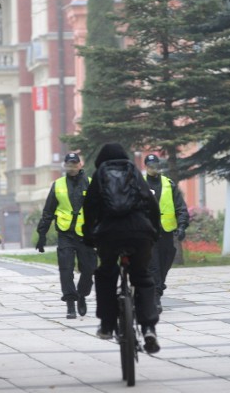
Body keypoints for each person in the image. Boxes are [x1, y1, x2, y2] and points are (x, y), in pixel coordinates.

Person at [82, 143, 162, 354]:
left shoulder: (100, 174)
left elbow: (89, 207)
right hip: (139, 232)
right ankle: (148, 329)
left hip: (109, 234)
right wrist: (155, 230)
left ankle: (107, 325)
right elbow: (151, 202)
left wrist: (88, 234)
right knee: (143, 277)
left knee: (106, 274)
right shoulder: (133, 172)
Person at [36, 153, 97, 319]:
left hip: (85, 234)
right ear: (65, 165)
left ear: (79, 165)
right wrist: (42, 234)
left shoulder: (91, 184)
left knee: (89, 269)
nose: (72, 166)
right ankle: (70, 302)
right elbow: (48, 211)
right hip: (65, 233)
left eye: (74, 163)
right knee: (66, 268)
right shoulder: (58, 185)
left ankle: (82, 295)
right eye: (69, 164)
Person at [143, 154, 189, 314]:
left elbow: (180, 207)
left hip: (167, 232)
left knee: (164, 263)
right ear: (146, 167)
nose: (153, 168)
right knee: (153, 265)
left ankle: (158, 287)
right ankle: (155, 298)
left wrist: (182, 226)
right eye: (150, 165)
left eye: (155, 165)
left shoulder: (169, 184)